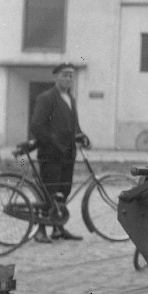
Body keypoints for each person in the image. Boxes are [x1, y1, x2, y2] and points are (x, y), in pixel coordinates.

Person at [29, 63, 88, 242]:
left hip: (68, 154)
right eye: (64, 75)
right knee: (48, 192)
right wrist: (53, 143)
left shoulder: (71, 98)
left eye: (71, 76)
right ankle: (40, 231)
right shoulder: (46, 98)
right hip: (51, 154)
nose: (68, 79)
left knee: (64, 191)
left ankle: (58, 228)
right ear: (55, 77)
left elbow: (74, 126)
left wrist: (82, 136)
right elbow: (37, 126)